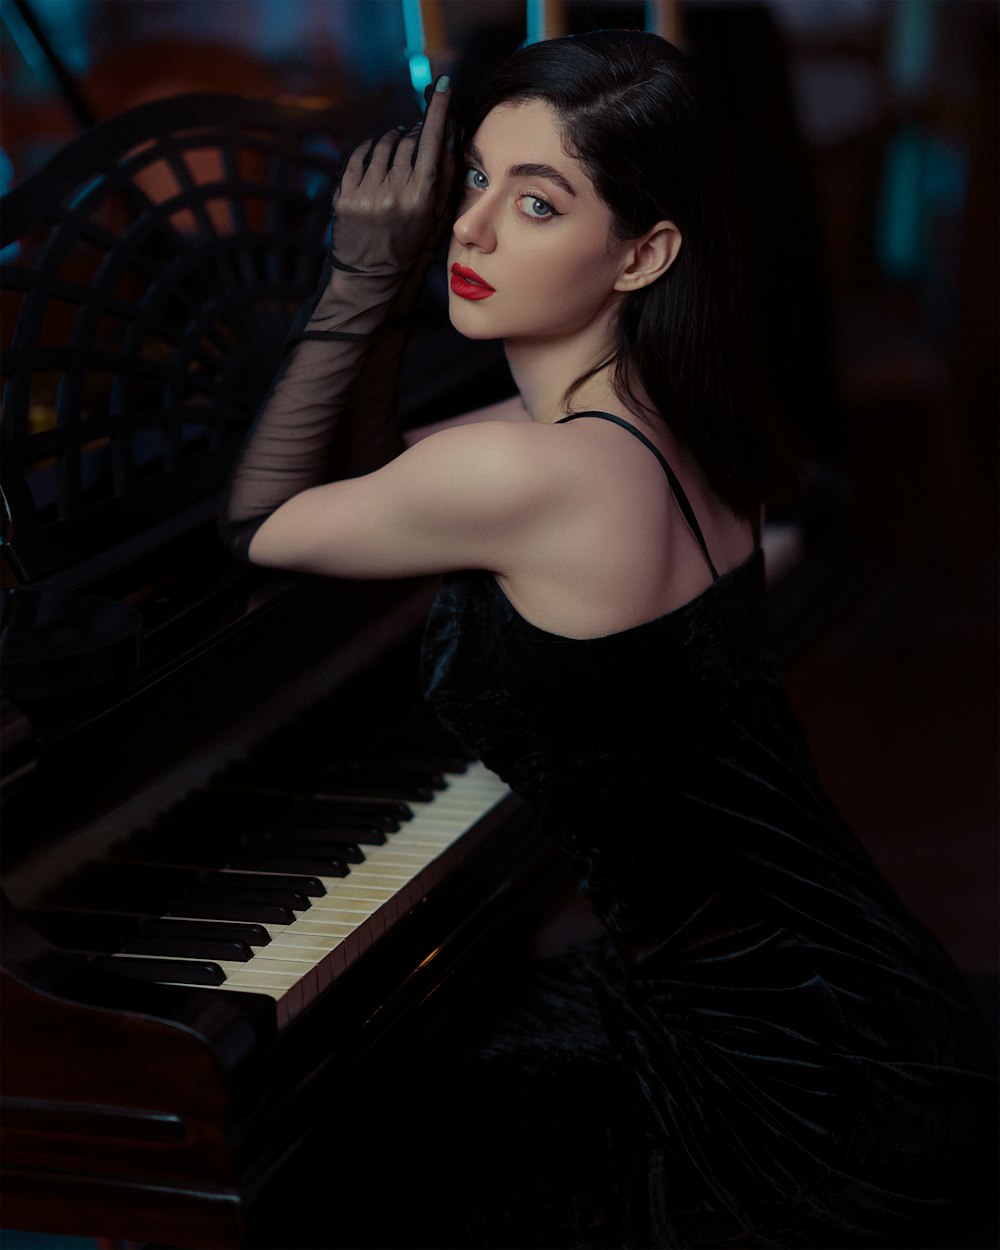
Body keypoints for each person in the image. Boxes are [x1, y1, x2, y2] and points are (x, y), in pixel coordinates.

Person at [220, 30, 996, 1250]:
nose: (469, 232)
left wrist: (364, 279)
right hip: (856, 1006)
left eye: (536, 203)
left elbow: (260, 525)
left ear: (643, 251)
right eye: (470, 181)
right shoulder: (656, 412)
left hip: (785, 1092)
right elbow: (381, 479)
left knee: (337, 1177)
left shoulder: (532, 470)